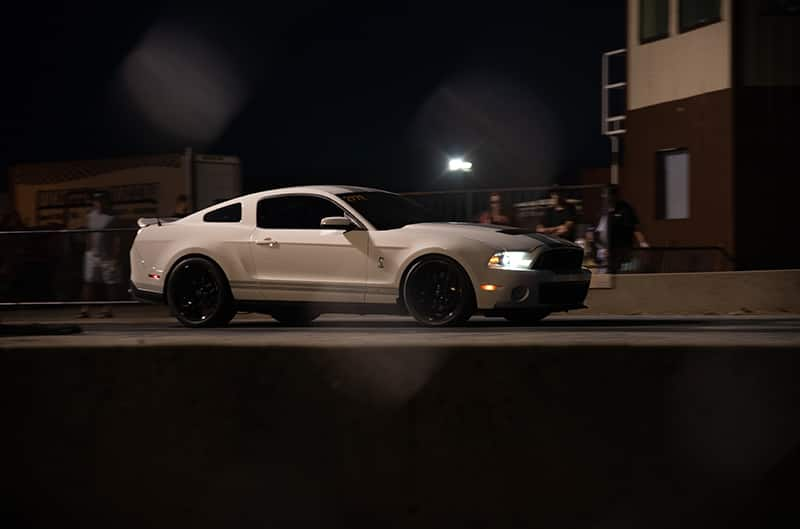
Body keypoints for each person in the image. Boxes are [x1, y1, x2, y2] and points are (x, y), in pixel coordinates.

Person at [79, 192, 121, 318]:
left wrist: (114, 257)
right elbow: (88, 233)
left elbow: (116, 239)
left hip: (107, 255)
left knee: (109, 283)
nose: (98, 203)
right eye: (96, 201)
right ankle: (85, 309)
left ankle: (108, 308)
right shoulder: (90, 216)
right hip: (92, 254)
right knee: (88, 282)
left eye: (101, 200)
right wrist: (88, 250)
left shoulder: (112, 218)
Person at [594, 185, 648, 273]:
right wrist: (602, 248)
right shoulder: (602, 211)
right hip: (605, 253)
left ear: (614, 196)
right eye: (603, 195)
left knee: (622, 274)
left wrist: (643, 243)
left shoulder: (625, 209)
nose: (604, 198)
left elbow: (634, 228)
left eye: (607, 195)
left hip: (622, 250)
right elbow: (597, 233)